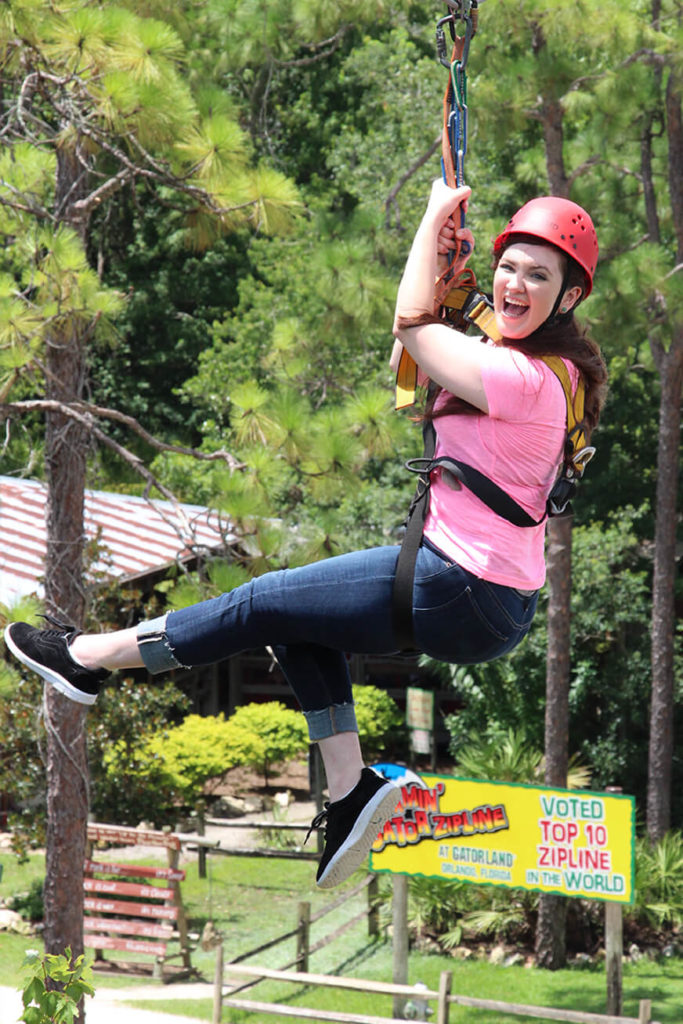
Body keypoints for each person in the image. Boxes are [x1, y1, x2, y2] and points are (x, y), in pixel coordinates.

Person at [4, 180, 607, 890]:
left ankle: (88, 658)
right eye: (508, 266)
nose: (513, 283)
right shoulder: (527, 368)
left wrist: (428, 219)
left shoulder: (526, 376)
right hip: (486, 600)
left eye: (538, 276)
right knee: (296, 621)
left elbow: (408, 324)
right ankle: (350, 788)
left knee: (260, 601)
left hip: (459, 585)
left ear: (567, 298)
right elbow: (405, 368)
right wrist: (446, 279)